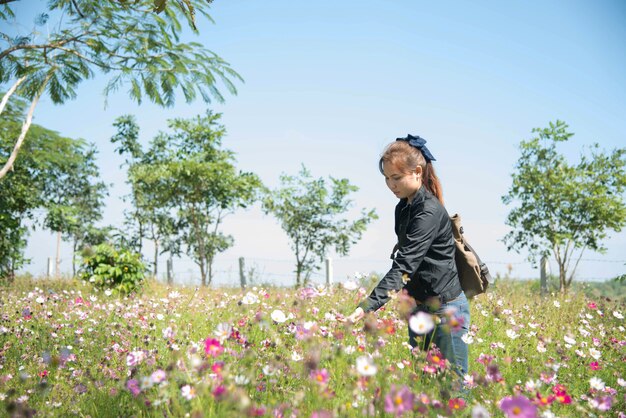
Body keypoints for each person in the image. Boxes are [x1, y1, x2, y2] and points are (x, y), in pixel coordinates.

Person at [346, 134, 470, 382]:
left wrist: (368, 305)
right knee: (425, 386)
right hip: (419, 309)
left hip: (446, 309)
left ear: (417, 172)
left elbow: (405, 265)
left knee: (453, 387)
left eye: (396, 178)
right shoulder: (403, 207)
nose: (391, 185)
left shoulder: (429, 211)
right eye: (387, 179)